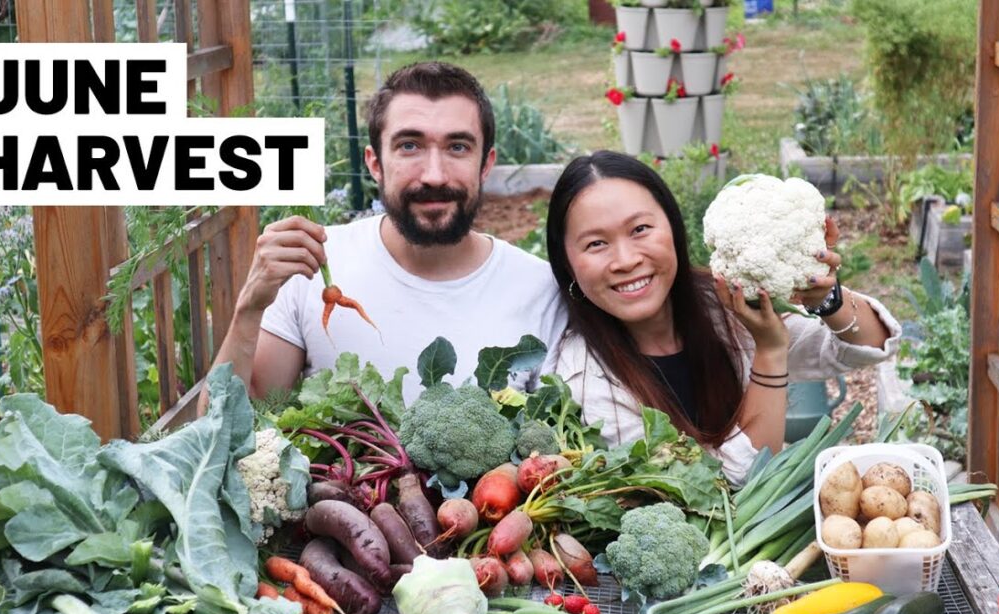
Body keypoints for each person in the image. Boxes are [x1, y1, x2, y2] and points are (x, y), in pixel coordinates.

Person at [208, 62, 566, 405]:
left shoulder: (539, 289)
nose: (434, 175)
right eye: (409, 146)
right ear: (375, 163)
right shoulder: (313, 265)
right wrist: (250, 307)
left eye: (458, 147)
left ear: (485, 165)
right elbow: (227, 427)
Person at [545, 151, 901, 484]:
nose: (625, 259)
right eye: (596, 244)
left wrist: (827, 297)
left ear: (673, 228)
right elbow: (721, 489)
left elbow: (868, 346)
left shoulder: (719, 306)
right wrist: (770, 353)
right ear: (567, 264)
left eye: (640, 230)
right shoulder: (585, 377)